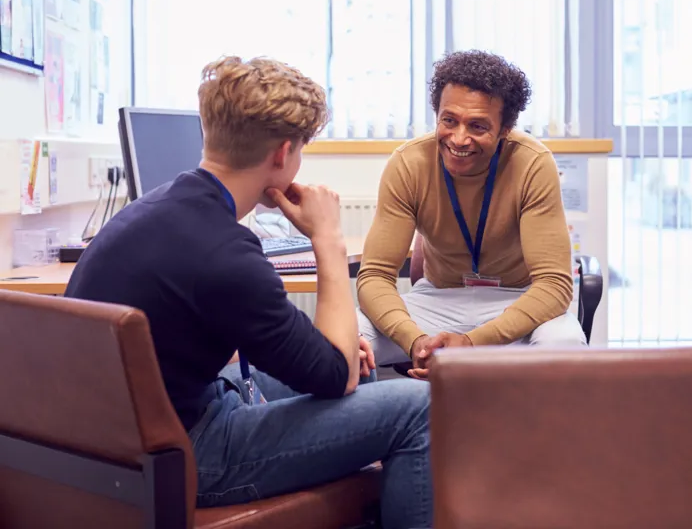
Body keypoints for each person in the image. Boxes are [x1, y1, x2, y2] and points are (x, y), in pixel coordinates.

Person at [66, 56, 432, 528]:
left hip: (126, 435)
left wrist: (337, 360)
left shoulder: (154, 207)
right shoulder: (226, 254)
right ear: (283, 155)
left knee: (360, 372)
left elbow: (326, 363)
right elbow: (334, 375)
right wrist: (328, 239)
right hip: (186, 453)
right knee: (417, 408)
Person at [357, 50, 586, 379]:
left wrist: (473, 343)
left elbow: (554, 285)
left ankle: (532, 432)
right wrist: (416, 342)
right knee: (346, 339)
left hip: (516, 300)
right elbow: (375, 277)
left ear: (505, 128)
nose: (459, 138)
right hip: (438, 300)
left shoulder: (533, 163)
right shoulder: (408, 163)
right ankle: (384, 426)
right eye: (449, 120)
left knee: (565, 348)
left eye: (478, 126)